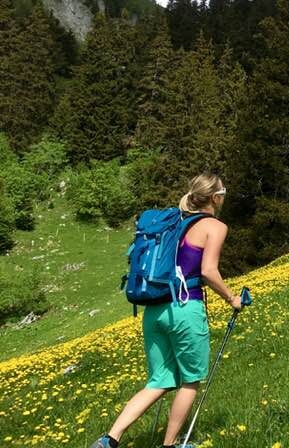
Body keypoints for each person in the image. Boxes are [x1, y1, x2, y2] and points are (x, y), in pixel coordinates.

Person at [90, 173, 244, 448]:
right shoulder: (214, 226)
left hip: (154, 310)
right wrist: (232, 298)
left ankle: (109, 440)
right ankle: (170, 445)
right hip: (185, 308)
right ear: (215, 197)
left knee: (159, 380)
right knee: (191, 379)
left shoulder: (172, 223)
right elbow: (208, 271)